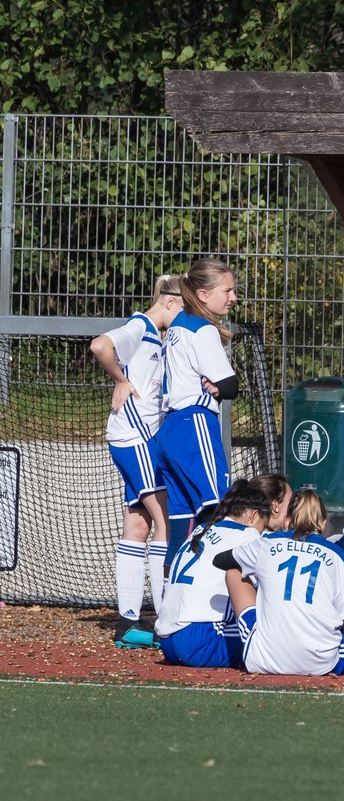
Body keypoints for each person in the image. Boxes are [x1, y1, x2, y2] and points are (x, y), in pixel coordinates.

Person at [89, 274, 184, 647]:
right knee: (164, 522)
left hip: (138, 441)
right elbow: (100, 346)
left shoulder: (155, 337)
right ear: (171, 302)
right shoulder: (140, 326)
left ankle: (128, 624)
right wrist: (119, 379)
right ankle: (166, 621)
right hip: (135, 440)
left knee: (138, 526)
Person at [217, 489, 344, 676]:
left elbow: (221, 560)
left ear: (287, 520)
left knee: (234, 573)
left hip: (262, 659)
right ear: (323, 524)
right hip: (321, 665)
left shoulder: (266, 544)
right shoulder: (338, 555)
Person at [155, 258, 240, 566]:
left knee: (182, 522)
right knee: (219, 508)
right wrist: (224, 386)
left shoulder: (176, 327)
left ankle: (169, 605)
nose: (233, 298)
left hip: (170, 429)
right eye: (227, 291)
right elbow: (229, 384)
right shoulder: (202, 329)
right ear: (203, 294)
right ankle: (212, 591)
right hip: (194, 424)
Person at [155, 480, 271, 668]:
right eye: (262, 526)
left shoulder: (200, 530)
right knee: (271, 640)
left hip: (167, 642)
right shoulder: (247, 535)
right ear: (254, 515)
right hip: (200, 639)